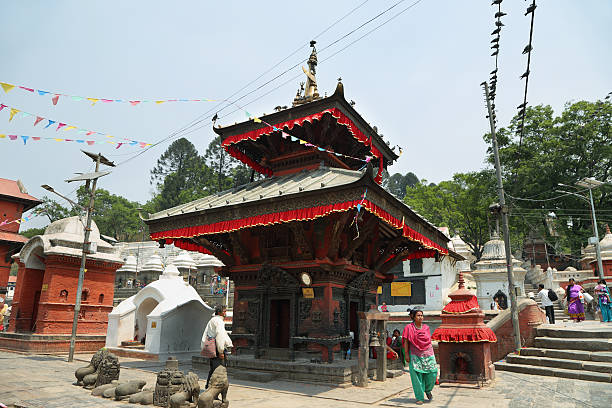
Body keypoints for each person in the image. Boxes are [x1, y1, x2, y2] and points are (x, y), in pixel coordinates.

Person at [403, 309, 437, 405]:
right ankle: (419, 397)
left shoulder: (426, 327)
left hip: (428, 353)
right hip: (414, 354)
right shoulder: (408, 328)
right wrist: (406, 354)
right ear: (413, 317)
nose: (420, 317)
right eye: (418, 315)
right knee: (417, 376)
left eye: (422, 315)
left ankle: (427, 389)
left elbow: (429, 341)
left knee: (433, 373)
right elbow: (406, 341)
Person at [202, 305, 233, 389]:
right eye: (224, 311)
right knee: (219, 370)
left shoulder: (212, 320)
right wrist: (221, 351)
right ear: (219, 312)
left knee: (213, 369)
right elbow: (220, 336)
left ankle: (208, 386)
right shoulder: (219, 321)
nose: (225, 313)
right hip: (216, 348)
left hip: (212, 347)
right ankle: (214, 390)